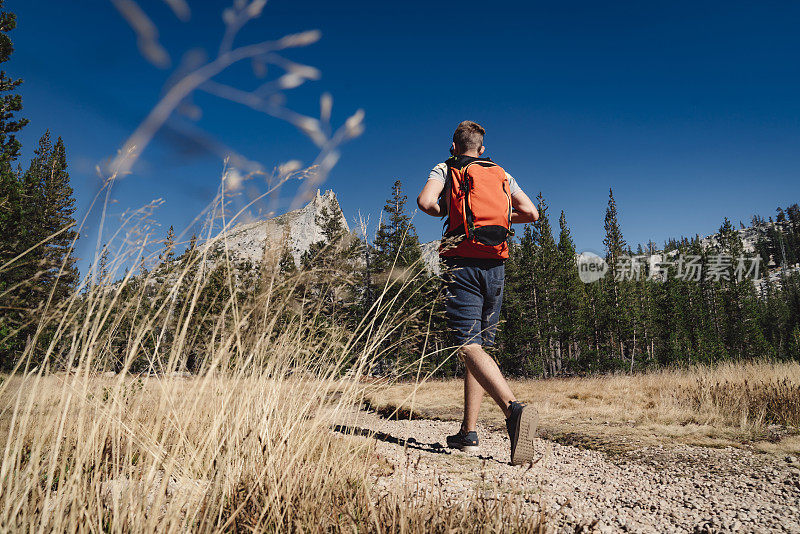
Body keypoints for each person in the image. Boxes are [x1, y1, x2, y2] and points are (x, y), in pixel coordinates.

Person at [416, 120, 540, 465]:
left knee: (466, 344)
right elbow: (531, 212)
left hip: (462, 263)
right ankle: (468, 433)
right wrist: (495, 220)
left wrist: (453, 213)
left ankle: (512, 410)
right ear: (481, 149)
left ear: (453, 146)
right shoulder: (501, 173)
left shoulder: (446, 166)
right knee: (478, 347)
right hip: (495, 267)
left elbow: (425, 202)